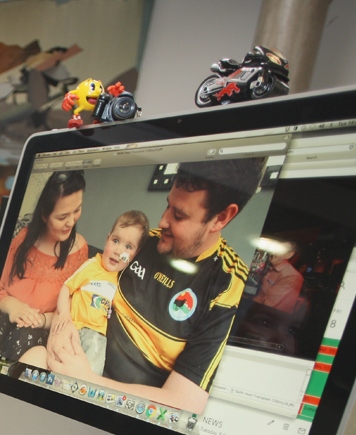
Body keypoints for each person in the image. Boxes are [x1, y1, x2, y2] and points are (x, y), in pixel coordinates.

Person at [46, 159, 264, 414]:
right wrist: (62, 327)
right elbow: (89, 281)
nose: (162, 221)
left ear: (221, 218)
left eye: (179, 215)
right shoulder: (142, 243)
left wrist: (88, 382)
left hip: (122, 407)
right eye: (168, 206)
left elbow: (185, 402)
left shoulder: (227, 284)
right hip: (79, 356)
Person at [19, 209, 148, 375]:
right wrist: (64, 313)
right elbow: (67, 287)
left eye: (128, 247)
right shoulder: (92, 265)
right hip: (75, 328)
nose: (118, 250)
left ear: (134, 255)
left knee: (90, 375)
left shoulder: (121, 280)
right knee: (58, 366)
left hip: (98, 336)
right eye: (115, 241)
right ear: (107, 239)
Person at [0, 170, 89, 360]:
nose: (71, 222)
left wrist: (41, 320)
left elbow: (72, 310)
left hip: (40, 331)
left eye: (77, 210)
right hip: (5, 319)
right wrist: (14, 307)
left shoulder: (79, 250)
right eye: (62, 216)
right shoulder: (21, 238)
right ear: (44, 215)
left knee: (25, 336)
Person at [253, 240, 304, 312]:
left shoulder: (292, 276)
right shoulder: (269, 268)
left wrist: (248, 296)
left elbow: (268, 305)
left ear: (288, 255)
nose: (273, 252)